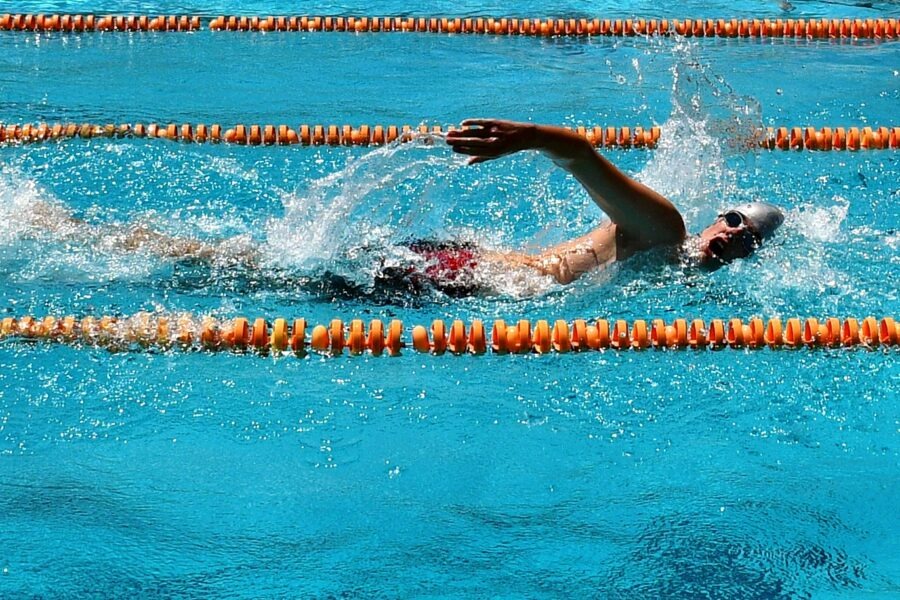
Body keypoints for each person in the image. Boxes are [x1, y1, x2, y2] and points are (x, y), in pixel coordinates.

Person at [23, 118, 784, 295]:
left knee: (264, 273)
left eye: (745, 242)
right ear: (716, 214)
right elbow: (582, 153)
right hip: (472, 275)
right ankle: (63, 232)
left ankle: (85, 234)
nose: (730, 240)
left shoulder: (679, 278)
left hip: (472, 273)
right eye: (733, 222)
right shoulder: (667, 229)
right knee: (254, 276)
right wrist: (525, 138)